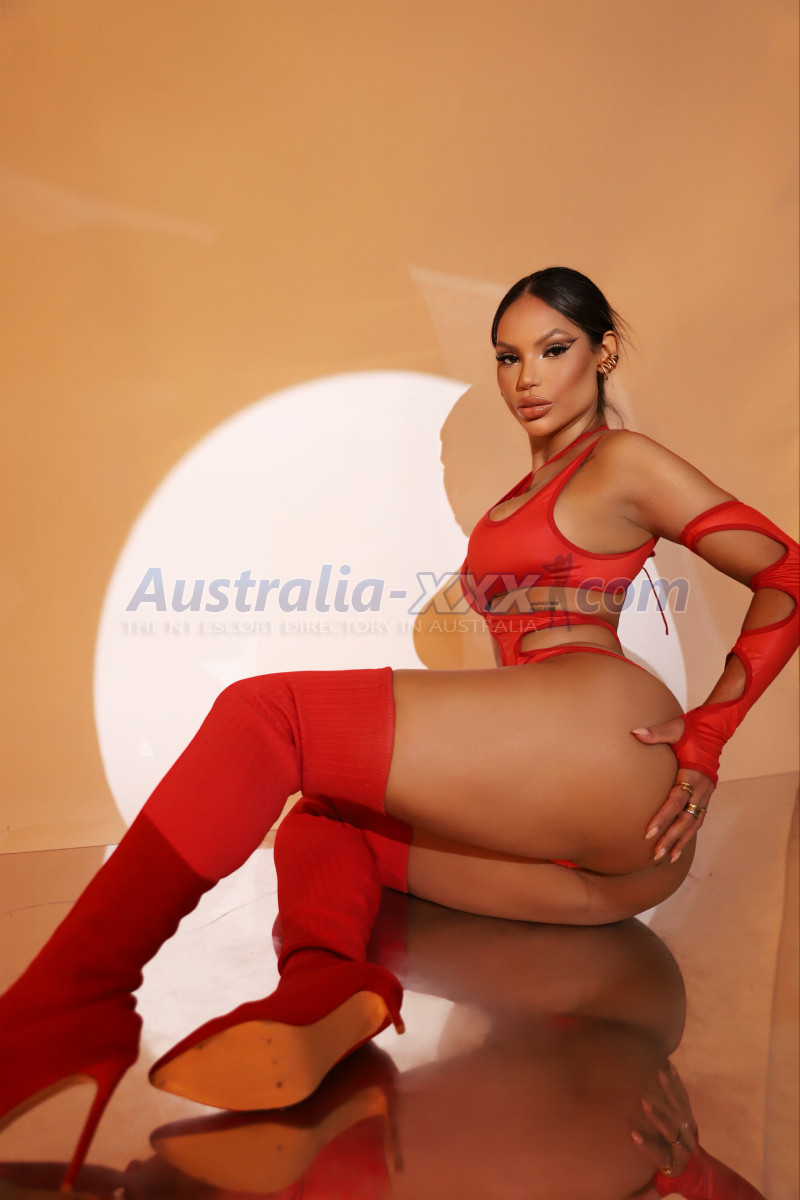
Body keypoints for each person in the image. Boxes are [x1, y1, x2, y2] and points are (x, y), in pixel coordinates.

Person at [0, 268, 796, 1192]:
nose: (527, 377)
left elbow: (785, 571)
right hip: (597, 862)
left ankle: (70, 1003)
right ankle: (322, 988)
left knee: (269, 715)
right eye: (508, 357)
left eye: (554, 349)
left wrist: (708, 737)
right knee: (323, 820)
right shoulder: (522, 491)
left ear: (603, 352)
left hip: (606, 741)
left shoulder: (622, 461)